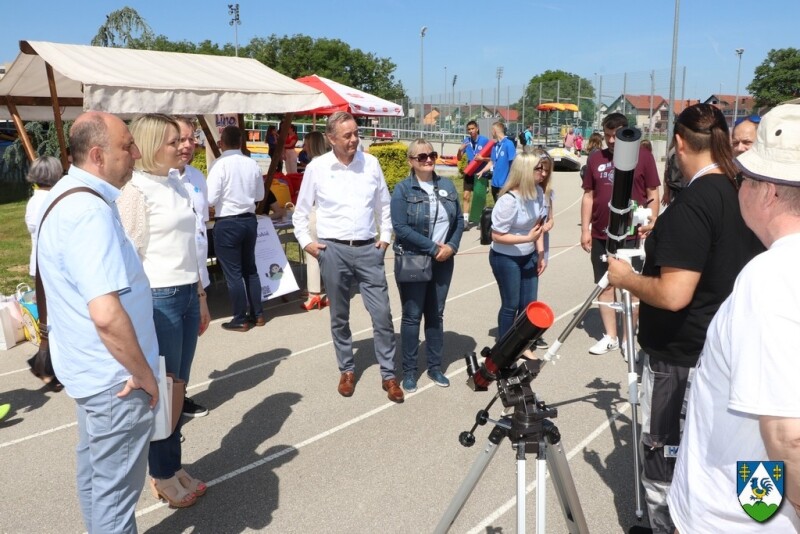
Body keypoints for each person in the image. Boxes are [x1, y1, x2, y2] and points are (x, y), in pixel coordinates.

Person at [607, 103, 764, 533]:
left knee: (664, 459)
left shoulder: (694, 203)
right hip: (722, 351)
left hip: (679, 358)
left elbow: (675, 294)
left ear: (679, 142)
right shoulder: (740, 190)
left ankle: (666, 526)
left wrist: (626, 279)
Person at [668, 102, 800, 533]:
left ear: (768, 192)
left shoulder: (771, 278)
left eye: (744, 178)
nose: (736, 185)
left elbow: (787, 436)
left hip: (739, 518)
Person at [37, 111, 159, 533]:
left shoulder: (65, 197)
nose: (136, 153)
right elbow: (106, 314)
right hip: (116, 379)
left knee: (97, 481)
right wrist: (143, 373)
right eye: (127, 145)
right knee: (115, 499)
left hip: (92, 372)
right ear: (97, 155)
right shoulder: (89, 211)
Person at [117, 113, 210, 509]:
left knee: (179, 387)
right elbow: (128, 258)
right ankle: (162, 473)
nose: (184, 146)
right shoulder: (135, 191)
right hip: (160, 298)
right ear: (154, 144)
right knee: (164, 390)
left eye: (184, 140)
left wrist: (201, 295)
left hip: (186, 292)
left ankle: (172, 465)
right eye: (174, 141)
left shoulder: (176, 182)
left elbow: (192, 246)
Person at [293, 111, 403, 403]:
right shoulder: (317, 168)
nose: (354, 139)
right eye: (347, 135)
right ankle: (347, 369)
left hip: (368, 249)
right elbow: (301, 212)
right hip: (333, 251)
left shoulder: (371, 164)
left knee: (382, 315)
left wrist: (385, 238)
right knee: (339, 316)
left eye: (356, 133)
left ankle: (389, 374)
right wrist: (307, 243)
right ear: (331, 138)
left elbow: (384, 206)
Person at [581, 112, 660, 357]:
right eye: (607, 135)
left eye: (616, 135)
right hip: (601, 235)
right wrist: (585, 229)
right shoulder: (596, 158)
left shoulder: (644, 157)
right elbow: (588, 196)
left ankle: (628, 338)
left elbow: (653, 192)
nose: (611, 140)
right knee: (605, 285)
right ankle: (611, 336)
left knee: (632, 287)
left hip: (632, 235)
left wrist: (652, 220)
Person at [391, 139, 464, 393]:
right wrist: (433, 248)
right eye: (421, 157)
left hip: (444, 260)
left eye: (431, 154)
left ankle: (434, 367)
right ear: (411, 161)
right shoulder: (403, 189)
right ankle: (410, 371)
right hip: (414, 258)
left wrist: (451, 246)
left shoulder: (447, 185)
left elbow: (459, 220)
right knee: (412, 316)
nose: (428, 160)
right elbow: (400, 227)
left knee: (436, 314)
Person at [207, 125, 266, 332]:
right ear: (240, 142)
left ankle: (240, 318)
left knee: (233, 273)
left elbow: (210, 198)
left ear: (221, 143)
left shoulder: (219, 164)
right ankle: (258, 314)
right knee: (250, 269)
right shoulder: (252, 163)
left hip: (228, 221)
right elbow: (260, 195)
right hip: (249, 219)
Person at [489, 152, 549, 341]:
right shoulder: (509, 201)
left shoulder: (538, 192)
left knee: (529, 303)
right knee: (511, 304)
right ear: (525, 171)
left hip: (529, 255)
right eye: (539, 169)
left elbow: (538, 226)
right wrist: (527, 238)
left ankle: (523, 343)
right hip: (506, 258)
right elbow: (496, 235)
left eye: (544, 169)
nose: (544, 173)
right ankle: (505, 345)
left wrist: (540, 253)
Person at [174, 116, 210, 419]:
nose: (189, 144)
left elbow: (201, 226)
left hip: (197, 275)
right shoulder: (157, 179)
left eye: (191, 138)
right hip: (169, 280)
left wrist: (202, 292)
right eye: (181, 139)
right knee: (169, 349)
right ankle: (167, 407)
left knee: (188, 345)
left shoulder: (197, 177)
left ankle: (179, 397)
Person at [297, 130, 331, 311]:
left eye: (305, 144)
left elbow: (305, 197)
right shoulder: (332, 162)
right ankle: (330, 292)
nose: (304, 147)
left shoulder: (313, 166)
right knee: (331, 254)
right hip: (331, 214)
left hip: (315, 212)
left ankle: (313, 294)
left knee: (312, 254)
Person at [25, 156, 62, 277]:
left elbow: (31, 226)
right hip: (53, 268)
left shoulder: (34, 200)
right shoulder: (54, 199)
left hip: (39, 265)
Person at [456, 120, 489, 226]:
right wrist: (460, 150)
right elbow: (459, 158)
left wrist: (482, 159)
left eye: (472, 129)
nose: (471, 131)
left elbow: (492, 159)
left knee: (480, 196)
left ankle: (482, 218)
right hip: (470, 171)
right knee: (466, 195)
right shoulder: (466, 141)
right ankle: (465, 220)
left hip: (481, 172)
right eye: (469, 129)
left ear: (477, 129)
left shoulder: (484, 141)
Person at [487, 121, 516, 200]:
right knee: (497, 205)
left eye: (491, 131)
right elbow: (492, 162)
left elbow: (513, 165)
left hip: (504, 185)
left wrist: (509, 183)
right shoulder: (495, 146)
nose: (491, 133)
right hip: (494, 184)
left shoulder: (509, 144)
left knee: (505, 206)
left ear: (494, 131)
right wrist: (482, 171)